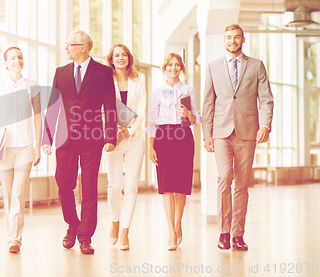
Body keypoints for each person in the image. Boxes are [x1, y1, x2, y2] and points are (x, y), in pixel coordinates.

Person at [42, 30, 117, 255]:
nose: (66, 48)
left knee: (89, 186)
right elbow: (53, 105)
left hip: (92, 138)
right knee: (64, 184)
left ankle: (85, 236)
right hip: (65, 138)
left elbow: (110, 106)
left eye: (69, 45)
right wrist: (46, 137)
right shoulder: (60, 72)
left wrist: (110, 136)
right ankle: (72, 223)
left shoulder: (103, 73)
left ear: (82, 47)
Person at [202, 24, 273, 251]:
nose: (232, 41)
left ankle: (237, 235)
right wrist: (207, 134)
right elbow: (207, 102)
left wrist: (265, 125)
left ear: (243, 39)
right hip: (221, 132)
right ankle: (223, 232)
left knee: (242, 184)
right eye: (228, 37)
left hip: (248, 131)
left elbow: (266, 99)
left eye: (236, 37)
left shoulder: (256, 65)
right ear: (224, 41)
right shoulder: (213, 67)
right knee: (224, 177)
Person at [0, 47, 42, 254]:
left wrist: (37, 146)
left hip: (25, 146)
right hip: (3, 146)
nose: (17, 60)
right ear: (5, 63)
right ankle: (12, 235)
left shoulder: (32, 86)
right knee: (7, 193)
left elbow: (37, 117)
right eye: (13, 58)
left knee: (18, 192)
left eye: (20, 57)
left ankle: (14, 239)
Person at [146, 53, 201, 251]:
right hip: (163, 137)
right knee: (167, 185)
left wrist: (188, 115)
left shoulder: (189, 90)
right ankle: (171, 230)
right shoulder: (157, 92)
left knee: (181, 185)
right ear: (164, 68)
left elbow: (198, 118)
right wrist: (150, 146)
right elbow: (152, 121)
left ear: (181, 68)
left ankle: (178, 223)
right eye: (170, 64)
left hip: (184, 136)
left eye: (177, 65)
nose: (173, 68)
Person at [103, 44, 146, 251]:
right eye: (116, 55)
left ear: (129, 58)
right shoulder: (105, 82)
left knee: (131, 187)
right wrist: (112, 131)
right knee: (114, 185)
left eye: (124, 55)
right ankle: (114, 222)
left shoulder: (139, 81)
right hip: (112, 139)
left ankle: (124, 231)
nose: (120, 58)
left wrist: (130, 131)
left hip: (134, 140)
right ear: (111, 59)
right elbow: (100, 109)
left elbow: (142, 110)